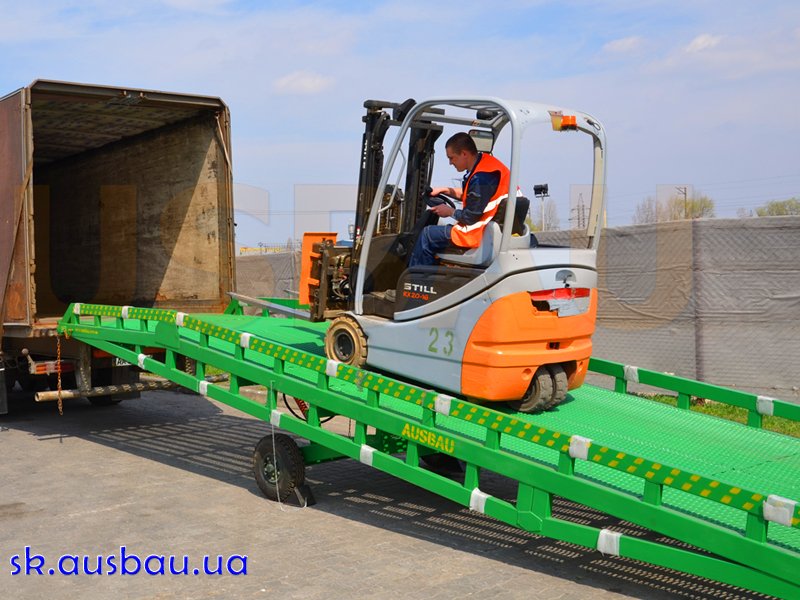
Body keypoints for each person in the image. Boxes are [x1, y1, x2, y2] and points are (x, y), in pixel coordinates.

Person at [408, 132, 510, 267]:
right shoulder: (487, 166)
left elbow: (470, 217)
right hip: (491, 230)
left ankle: (415, 278)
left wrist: (449, 211)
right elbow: (475, 197)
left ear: (464, 154)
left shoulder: (481, 178)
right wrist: (445, 190)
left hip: (479, 233)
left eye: (452, 158)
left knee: (427, 235)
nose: (450, 163)